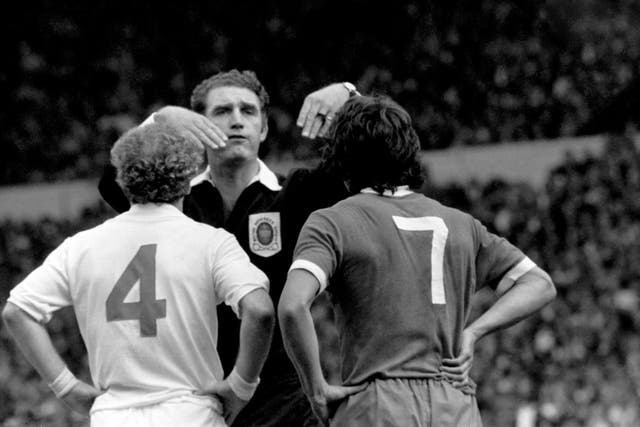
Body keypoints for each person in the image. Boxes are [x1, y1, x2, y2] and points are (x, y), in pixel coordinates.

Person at [278, 95, 557, 427]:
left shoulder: (333, 221)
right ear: (410, 153)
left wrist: (317, 391)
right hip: (455, 402)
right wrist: (473, 333)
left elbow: (292, 306)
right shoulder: (462, 224)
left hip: (378, 402)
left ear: (341, 161)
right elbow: (540, 284)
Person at [98, 69, 357, 426]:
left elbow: (367, 170)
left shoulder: (296, 193)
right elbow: (112, 184)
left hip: (282, 397)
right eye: (222, 111)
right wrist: (159, 121)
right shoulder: (175, 199)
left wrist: (349, 98)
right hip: (192, 393)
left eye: (248, 111)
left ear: (264, 128)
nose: (236, 120)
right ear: (194, 128)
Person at [3, 122, 274, 427]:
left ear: (122, 181)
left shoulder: (80, 247)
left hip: (113, 416)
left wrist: (66, 387)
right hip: (191, 414)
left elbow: (18, 311)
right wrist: (241, 385)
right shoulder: (212, 243)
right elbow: (260, 310)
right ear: (187, 182)